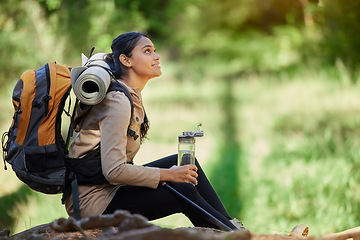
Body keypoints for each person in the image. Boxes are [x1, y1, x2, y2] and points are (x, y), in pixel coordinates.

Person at [64, 31, 244, 231]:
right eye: (147, 51)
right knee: (182, 187)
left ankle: (230, 227)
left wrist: (170, 172)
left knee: (184, 164)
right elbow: (114, 171)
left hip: (109, 190)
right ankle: (230, 234)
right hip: (93, 203)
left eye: (155, 50)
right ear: (126, 60)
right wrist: (168, 175)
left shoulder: (129, 94)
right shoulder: (117, 102)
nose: (156, 56)